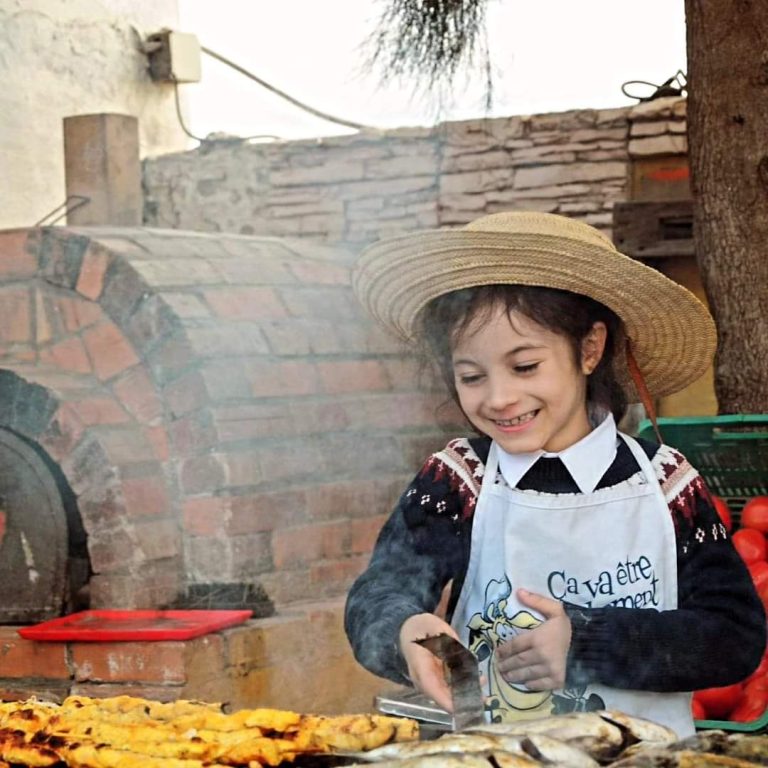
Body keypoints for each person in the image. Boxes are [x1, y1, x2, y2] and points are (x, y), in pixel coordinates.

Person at [344, 211, 766, 738]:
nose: (498, 398)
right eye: (471, 376)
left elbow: (734, 637)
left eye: (525, 368)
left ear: (589, 349)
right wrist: (405, 631)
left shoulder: (667, 484)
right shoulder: (457, 480)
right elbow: (377, 595)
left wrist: (584, 642)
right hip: (495, 754)